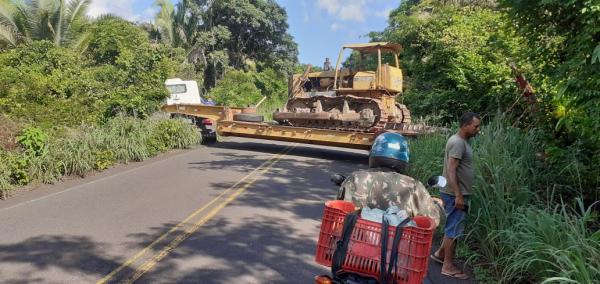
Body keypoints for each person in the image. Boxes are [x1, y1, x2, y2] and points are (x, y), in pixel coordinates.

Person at [341, 131, 444, 226]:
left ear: (374, 153)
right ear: (404, 157)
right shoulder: (414, 186)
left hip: (354, 238)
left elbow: (339, 209)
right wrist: (438, 206)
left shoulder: (355, 178)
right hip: (397, 243)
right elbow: (432, 221)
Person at [431, 112, 481, 280]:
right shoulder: (458, 143)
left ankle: (440, 254)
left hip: (454, 193)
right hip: (454, 194)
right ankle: (447, 265)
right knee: (454, 230)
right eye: (475, 126)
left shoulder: (459, 141)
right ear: (465, 125)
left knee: (452, 225)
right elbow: (451, 170)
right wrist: (459, 195)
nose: (478, 130)